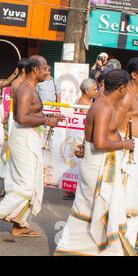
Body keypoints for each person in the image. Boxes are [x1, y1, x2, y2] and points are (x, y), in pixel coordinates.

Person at [55, 69, 135, 256]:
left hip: (98, 164)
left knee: (91, 211)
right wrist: (125, 143)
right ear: (122, 88)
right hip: (98, 166)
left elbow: (91, 138)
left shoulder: (101, 104)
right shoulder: (103, 107)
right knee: (96, 210)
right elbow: (99, 143)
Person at [0, 55, 59, 242]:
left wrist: (47, 118)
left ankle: (20, 225)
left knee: (30, 183)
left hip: (29, 138)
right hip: (24, 140)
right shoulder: (25, 90)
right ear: (35, 70)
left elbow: (30, 114)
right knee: (26, 187)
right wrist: (46, 120)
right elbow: (21, 118)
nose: (48, 71)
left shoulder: (30, 88)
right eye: (46, 67)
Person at [115, 58, 138, 248]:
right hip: (127, 151)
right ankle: (121, 242)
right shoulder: (126, 96)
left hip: (133, 150)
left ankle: (130, 239)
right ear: (134, 75)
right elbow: (112, 123)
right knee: (125, 197)